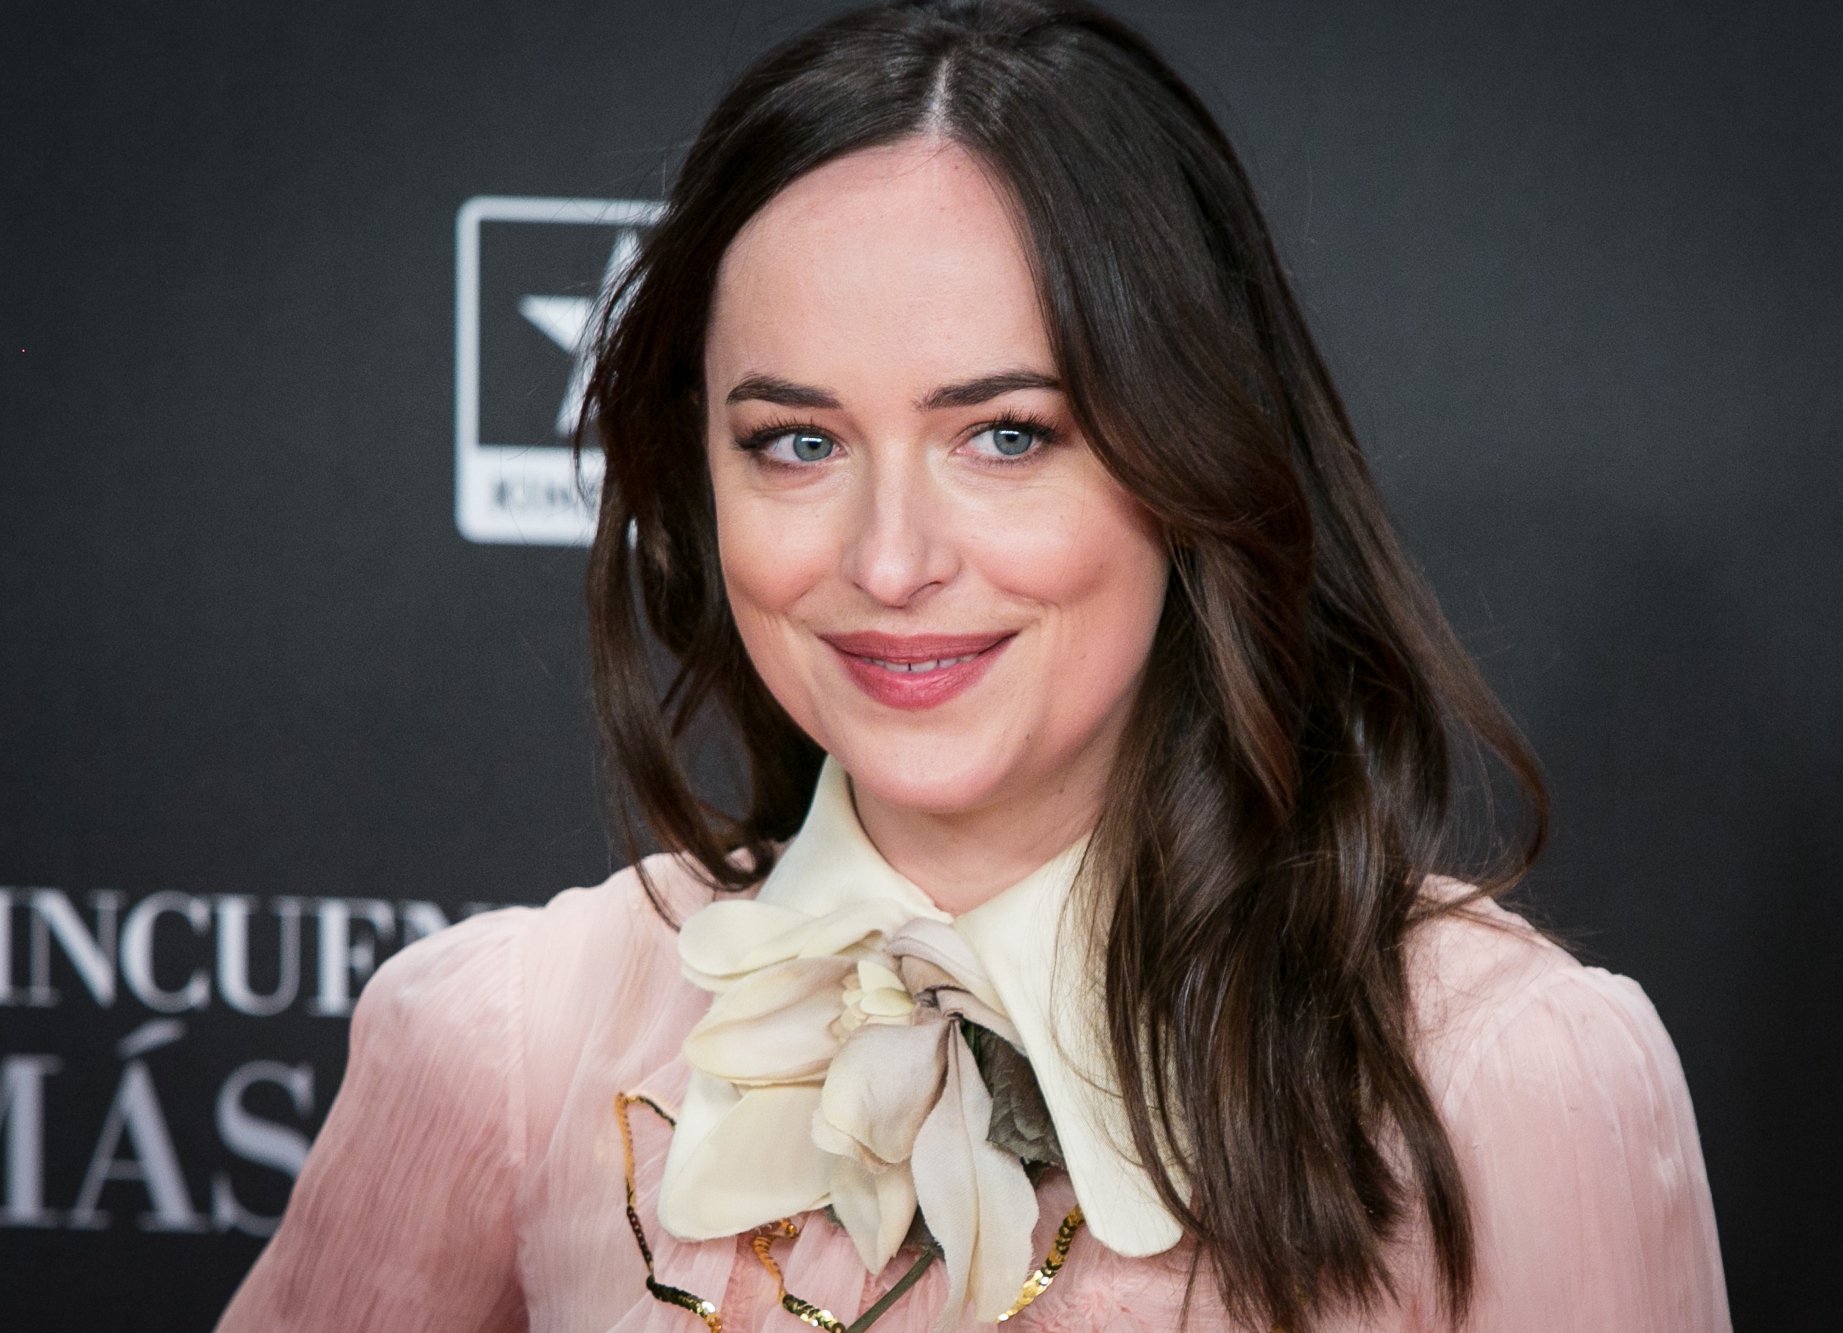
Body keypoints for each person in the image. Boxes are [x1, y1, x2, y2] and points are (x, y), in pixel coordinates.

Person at [217, 2, 1730, 1329]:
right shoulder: (504, 1040)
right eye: (796, 443)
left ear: (1192, 456)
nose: (889, 561)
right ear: (701, 482)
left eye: (1005, 435)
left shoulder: (1508, 1084)